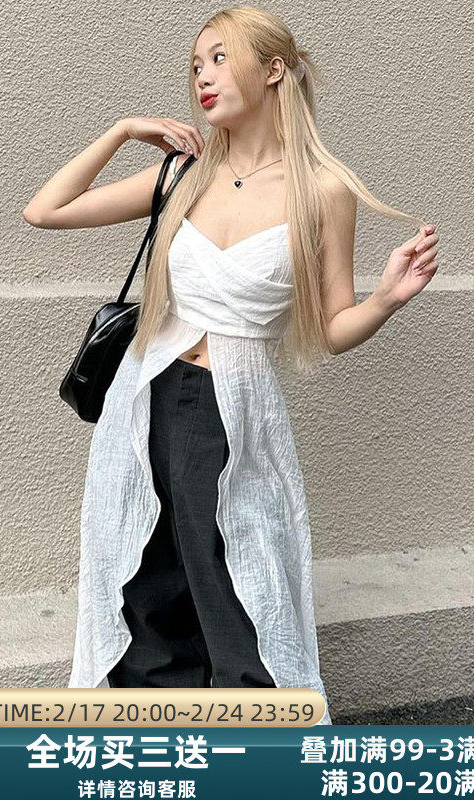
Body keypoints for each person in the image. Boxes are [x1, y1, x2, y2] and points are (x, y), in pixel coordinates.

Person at [23, 6, 439, 726]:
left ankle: (257, 741)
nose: (203, 77)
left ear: (273, 69)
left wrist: (387, 299)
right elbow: (45, 210)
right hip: (146, 396)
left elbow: (331, 328)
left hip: (233, 403)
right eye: (195, 65)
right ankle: (160, 734)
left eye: (219, 58)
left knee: (238, 577)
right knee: (148, 577)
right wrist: (121, 131)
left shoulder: (323, 190)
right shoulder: (182, 175)